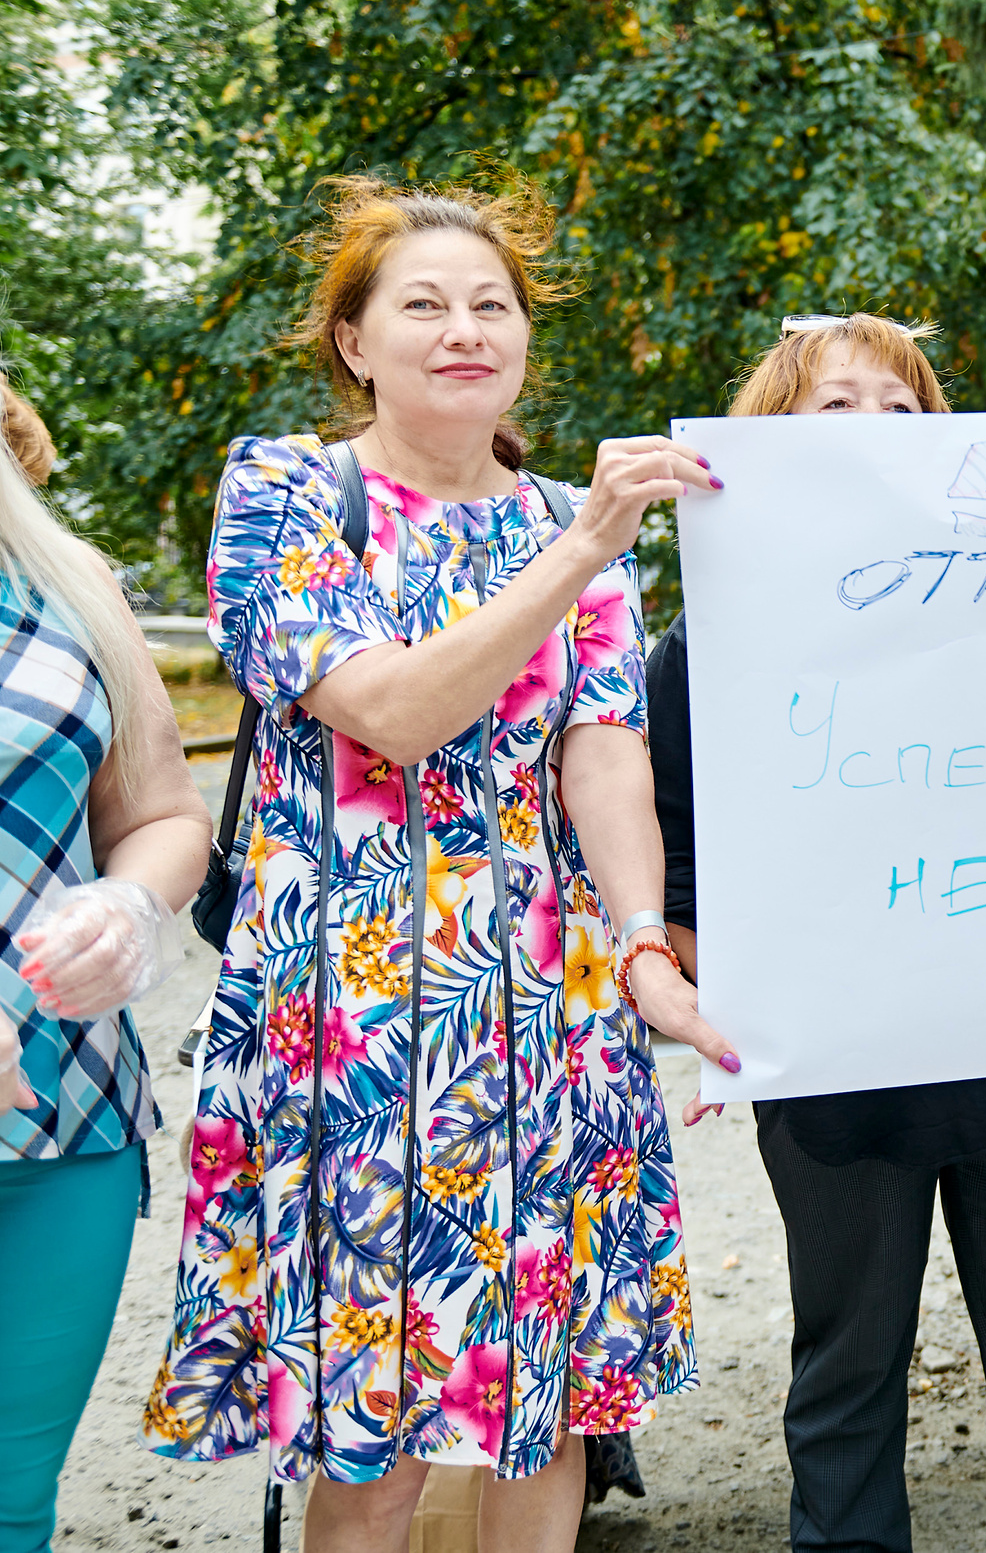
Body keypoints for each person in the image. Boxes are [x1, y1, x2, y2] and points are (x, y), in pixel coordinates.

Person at [143, 175, 733, 1552]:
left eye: (491, 304)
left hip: (545, 1008)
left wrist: (643, 939)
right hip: (357, 1015)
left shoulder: (567, 525)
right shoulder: (286, 489)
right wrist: (581, 545)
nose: (465, 327)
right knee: (380, 1431)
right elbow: (398, 710)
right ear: (355, 341)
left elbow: (603, 754)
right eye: (424, 303)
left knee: (548, 1394)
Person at [648, 313, 986, 1553]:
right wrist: (720, 975)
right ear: (764, 447)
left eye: (901, 409)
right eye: (834, 408)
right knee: (847, 1363)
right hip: (837, 1075)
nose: (872, 431)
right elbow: (679, 851)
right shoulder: (701, 650)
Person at [0, 378, 211, 1553]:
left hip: (66, 1123)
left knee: (11, 1509)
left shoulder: (70, 585)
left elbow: (168, 811)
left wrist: (131, 900)